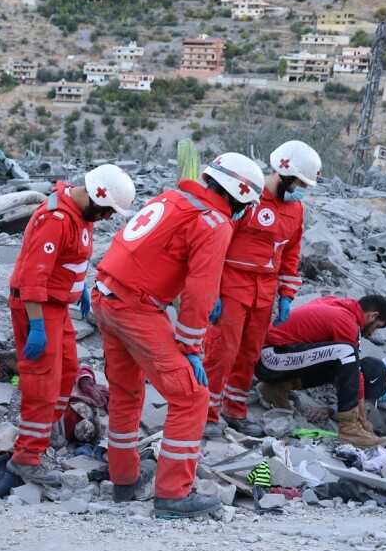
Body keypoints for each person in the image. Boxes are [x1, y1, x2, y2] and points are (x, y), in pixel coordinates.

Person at [92, 153, 265, 518]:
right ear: (238, 195)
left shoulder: (172, 197)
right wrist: (190, 347)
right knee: (192, 397)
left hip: (106, 295)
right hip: (136, 308)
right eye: (246, 203)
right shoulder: (214, 222)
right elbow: (201, 289)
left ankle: (124, 478)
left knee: (126, 390)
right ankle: (173, 494)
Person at [5, 164, 136, 488]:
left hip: (58, 305)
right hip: (38, 307)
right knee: (42, 381)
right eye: (106, 212)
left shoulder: (81, 215)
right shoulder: (56, 219)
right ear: (96, 196)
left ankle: (41, 434)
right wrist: (36, 324)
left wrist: (79, 291)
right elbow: (33, 276)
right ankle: (26, 457)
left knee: (66, 372)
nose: (106, 219)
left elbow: (70, 261)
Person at [203, 141, 320, 438]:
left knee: (249, 354)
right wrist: (212, 288)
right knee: (221, 351)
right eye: (299, 182)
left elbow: (291, 254)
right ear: (284, 172)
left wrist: (285, 296)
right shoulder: (247, 198)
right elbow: (216, 244)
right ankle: (206, 413)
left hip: (264, 292)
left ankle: (235, 410)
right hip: (232, 284)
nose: (301, 189)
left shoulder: (297, 209)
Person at [253, 295, 386, 448]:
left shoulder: (335, 304)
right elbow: (356, 371)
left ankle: (277, 388)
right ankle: (350, 429)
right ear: (372, 316)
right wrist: (362, 419)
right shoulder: (346, 321)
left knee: (339, 360)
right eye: (377, 326)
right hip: (270, 359)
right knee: (347, 353)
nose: (372, 333)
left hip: (273, 357)